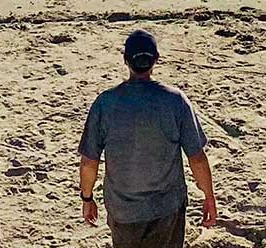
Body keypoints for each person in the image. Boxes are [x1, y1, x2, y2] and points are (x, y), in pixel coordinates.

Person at [78, 29, 218, 247]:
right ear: (156, 60)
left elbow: (89, 162)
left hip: (124, 213)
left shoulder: (105, 104)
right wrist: (209, 197)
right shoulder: (175, 100)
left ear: (126, 61)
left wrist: (87, 198)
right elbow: (197, 158)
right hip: (167, 209)